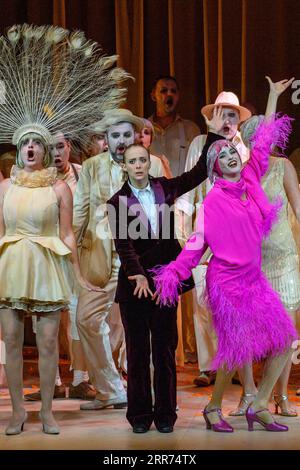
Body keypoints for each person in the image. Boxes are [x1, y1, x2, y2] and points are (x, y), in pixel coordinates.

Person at [0, 23, 131, 435]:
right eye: (27, 144)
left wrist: (77, 277)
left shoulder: (60, 188)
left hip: (47, 268)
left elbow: (69, 234)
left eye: (38, 143)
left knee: (46, 343)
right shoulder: (4, 186)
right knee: (10, 343)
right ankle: (20, 412)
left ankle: (46, 413)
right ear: (19, 150)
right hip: (12, 266)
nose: (33, 148)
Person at [153, 114, 297, 433]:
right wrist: (174, 273)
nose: (231, 157)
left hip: (253, 279)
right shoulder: (213, 201)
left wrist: (272, 99)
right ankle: (213, 407)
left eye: (233, 152)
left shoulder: (249, 186)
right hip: (227, 282)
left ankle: (259, 403)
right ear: (215, 167)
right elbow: (197, 242)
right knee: (234, 349)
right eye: (223, 156)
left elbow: (260, 150)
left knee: (286, 339)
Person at [107, 109, 224, 434]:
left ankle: (165, 415)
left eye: (143, 160)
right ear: (125, 166)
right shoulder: (117, 201)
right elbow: (124, 245)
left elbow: (200, 172)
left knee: (164, 351)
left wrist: (212, 133)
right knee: (138, 352)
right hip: (135, 286)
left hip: (166, 282)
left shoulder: (162, 188)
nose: (139, 166)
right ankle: (140, 416)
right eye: (133, 162)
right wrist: (138, 275)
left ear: (149, 163)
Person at [73, 109, 166, 411]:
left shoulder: (150, 164)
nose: (122, 141)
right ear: (106, 139)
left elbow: (165, 210)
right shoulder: (91, 167)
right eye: (116, 135)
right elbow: (80, 210)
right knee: (86, 319)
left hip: (140, 258)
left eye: (127, 134)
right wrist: (73, 247)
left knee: (145, 325)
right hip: (101, 255)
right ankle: (110, 388)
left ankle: (151, 392)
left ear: (137, 136)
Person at [230, 76, 300, 417]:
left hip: (283, 259)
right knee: (243, 331)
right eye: (255, 137)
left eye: (265, 135)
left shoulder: (284, 167)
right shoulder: (243, 172)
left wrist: (273, 95)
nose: (262, 141)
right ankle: (249, 394)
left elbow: (298, 210)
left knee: (285, 335)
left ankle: (280, 396)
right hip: (250, 261)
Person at [175, 91, 251, 386]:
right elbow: (188, 186)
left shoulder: (244, 149)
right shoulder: (200, 144)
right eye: (224, 114)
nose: (228, 120)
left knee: (237, 306)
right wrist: (181, 232)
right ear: (214, 117)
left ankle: (234, 364)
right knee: (204, 303)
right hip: (205, 230)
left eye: (233, 115)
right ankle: (208, 366)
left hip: (237, 236)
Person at [24, 131, 96, 402]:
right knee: (44, 322)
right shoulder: (35, 179)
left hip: (74, 256)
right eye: (50, 147)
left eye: (60, 146)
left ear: (69, 147)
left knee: (77, 319)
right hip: (44, 258)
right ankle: (51, 382)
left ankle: (80, 379)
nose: (56, 153)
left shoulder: (81, 174)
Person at [149, 75, 200, 176]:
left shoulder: (191, 130)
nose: (169, 94)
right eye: (163, 91)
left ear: (178, 96)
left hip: (181, 190)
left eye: (173, 91)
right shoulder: (143, 129)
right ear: (153, 96)